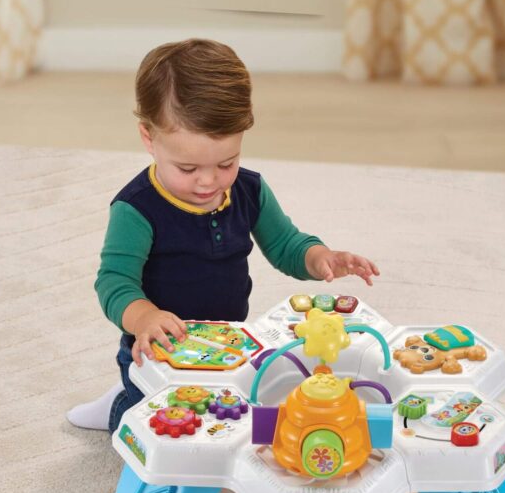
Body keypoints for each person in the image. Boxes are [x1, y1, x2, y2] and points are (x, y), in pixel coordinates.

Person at [67, 38, 380, 432]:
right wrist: (144, 317)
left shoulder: (249, 190)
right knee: (148, 425)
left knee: (227, 418)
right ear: (149, 138)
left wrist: (321, 257)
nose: (208, 181)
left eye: (226, 163)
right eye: (187, 168)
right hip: (159, 352)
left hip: (230, 345)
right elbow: (114, 281)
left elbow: (285, 245)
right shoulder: (136, 209)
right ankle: (119, 402)